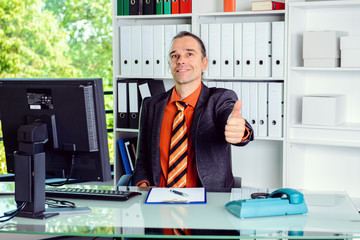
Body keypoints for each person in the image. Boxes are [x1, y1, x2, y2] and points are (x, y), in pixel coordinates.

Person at [133, 31, 254, 189]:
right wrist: (143, 186)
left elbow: (230, 117)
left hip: (206, 204)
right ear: (170, 64)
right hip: (158, 202)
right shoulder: (151, 105)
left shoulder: (219, 99)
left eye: (189, 54)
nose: (181, 60)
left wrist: (240, 131)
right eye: (174, 56)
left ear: (204, 63)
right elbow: (142, 159)